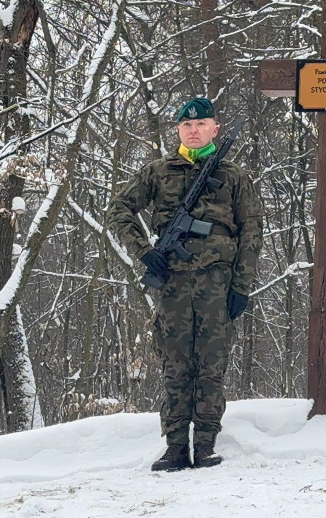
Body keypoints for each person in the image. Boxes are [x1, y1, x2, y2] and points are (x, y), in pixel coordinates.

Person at [108, 97, 263, 472]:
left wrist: (241, 286)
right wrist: (145, 253)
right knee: (175, 367)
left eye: (201, 124)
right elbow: (119, 210)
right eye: (186, 126)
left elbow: (252, 232)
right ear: (177, 131)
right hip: (173, 286)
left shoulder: (233, 176)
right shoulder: (158, 172)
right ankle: (176, 447)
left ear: (215, 128)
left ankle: (206, 445)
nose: (193, 131)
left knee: (211, 365)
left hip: (218, 286)